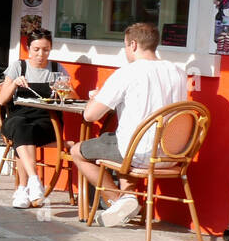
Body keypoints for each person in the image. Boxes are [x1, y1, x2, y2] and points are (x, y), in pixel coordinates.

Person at [69, 22, 189, 227]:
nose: (125, 50)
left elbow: (90, 116)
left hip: (136, 153)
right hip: (171, 154)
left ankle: (119, 201)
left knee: (77, 151)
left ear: (133, 44)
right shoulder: (178, 72)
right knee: (118, 143)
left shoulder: (128, 72)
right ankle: (127, 199)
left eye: (125, 45)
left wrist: (96, 97)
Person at [0, 28, 65, 209]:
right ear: (28, 48)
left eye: (46, 50)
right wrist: (15, 83)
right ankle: (33, 181)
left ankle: (23, 189)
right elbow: (1, 100)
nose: (41, 54)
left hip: (47, 121)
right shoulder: (19, 67)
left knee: (24, 132)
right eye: (36, 49)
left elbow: (71, 98)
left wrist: (63, 89)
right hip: (18, 116)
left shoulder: (57, 69)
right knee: (21, 126)